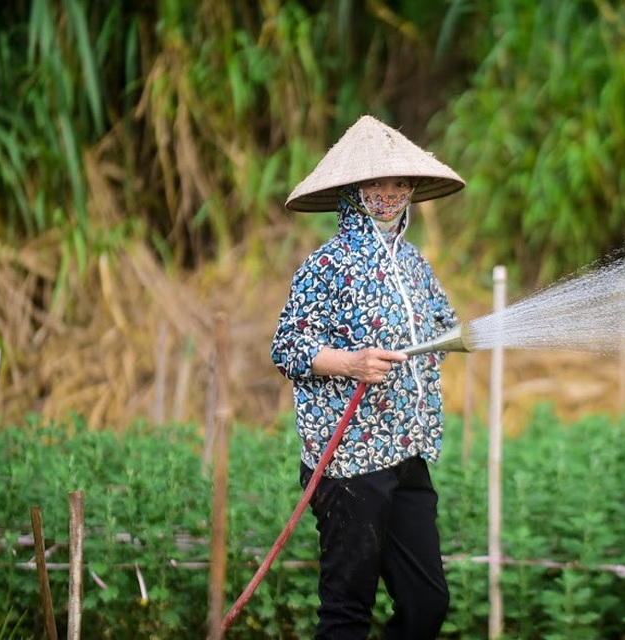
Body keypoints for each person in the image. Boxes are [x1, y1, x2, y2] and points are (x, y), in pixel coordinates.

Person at [270, 114, 466, 639]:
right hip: (348, 466)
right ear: (353, 191)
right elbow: (287, 347)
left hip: (406, 454)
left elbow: (445, 328)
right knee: (346, 612)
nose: (389, 193)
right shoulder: (326, 265)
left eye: (399, 182)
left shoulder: (415, 264)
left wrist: (458, 338)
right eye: (375, 183)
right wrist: (351, 362)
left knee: (427, 604)